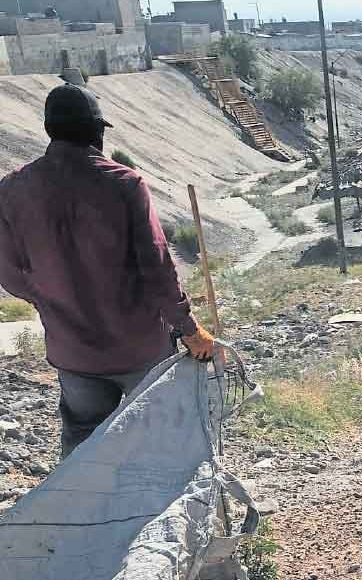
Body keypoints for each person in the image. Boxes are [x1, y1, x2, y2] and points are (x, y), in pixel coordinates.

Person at [0, 83, 215, 459]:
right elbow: (157, 267)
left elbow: (10, 274)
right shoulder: (123, 183)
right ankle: (158, 517)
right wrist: (188, 328)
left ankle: (86, 516)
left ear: (50, 129)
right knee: (160, 440)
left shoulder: (11, 190)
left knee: (83, 449)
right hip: (140, 350)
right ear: (96, 132)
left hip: (73, 352)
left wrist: (52, 298)